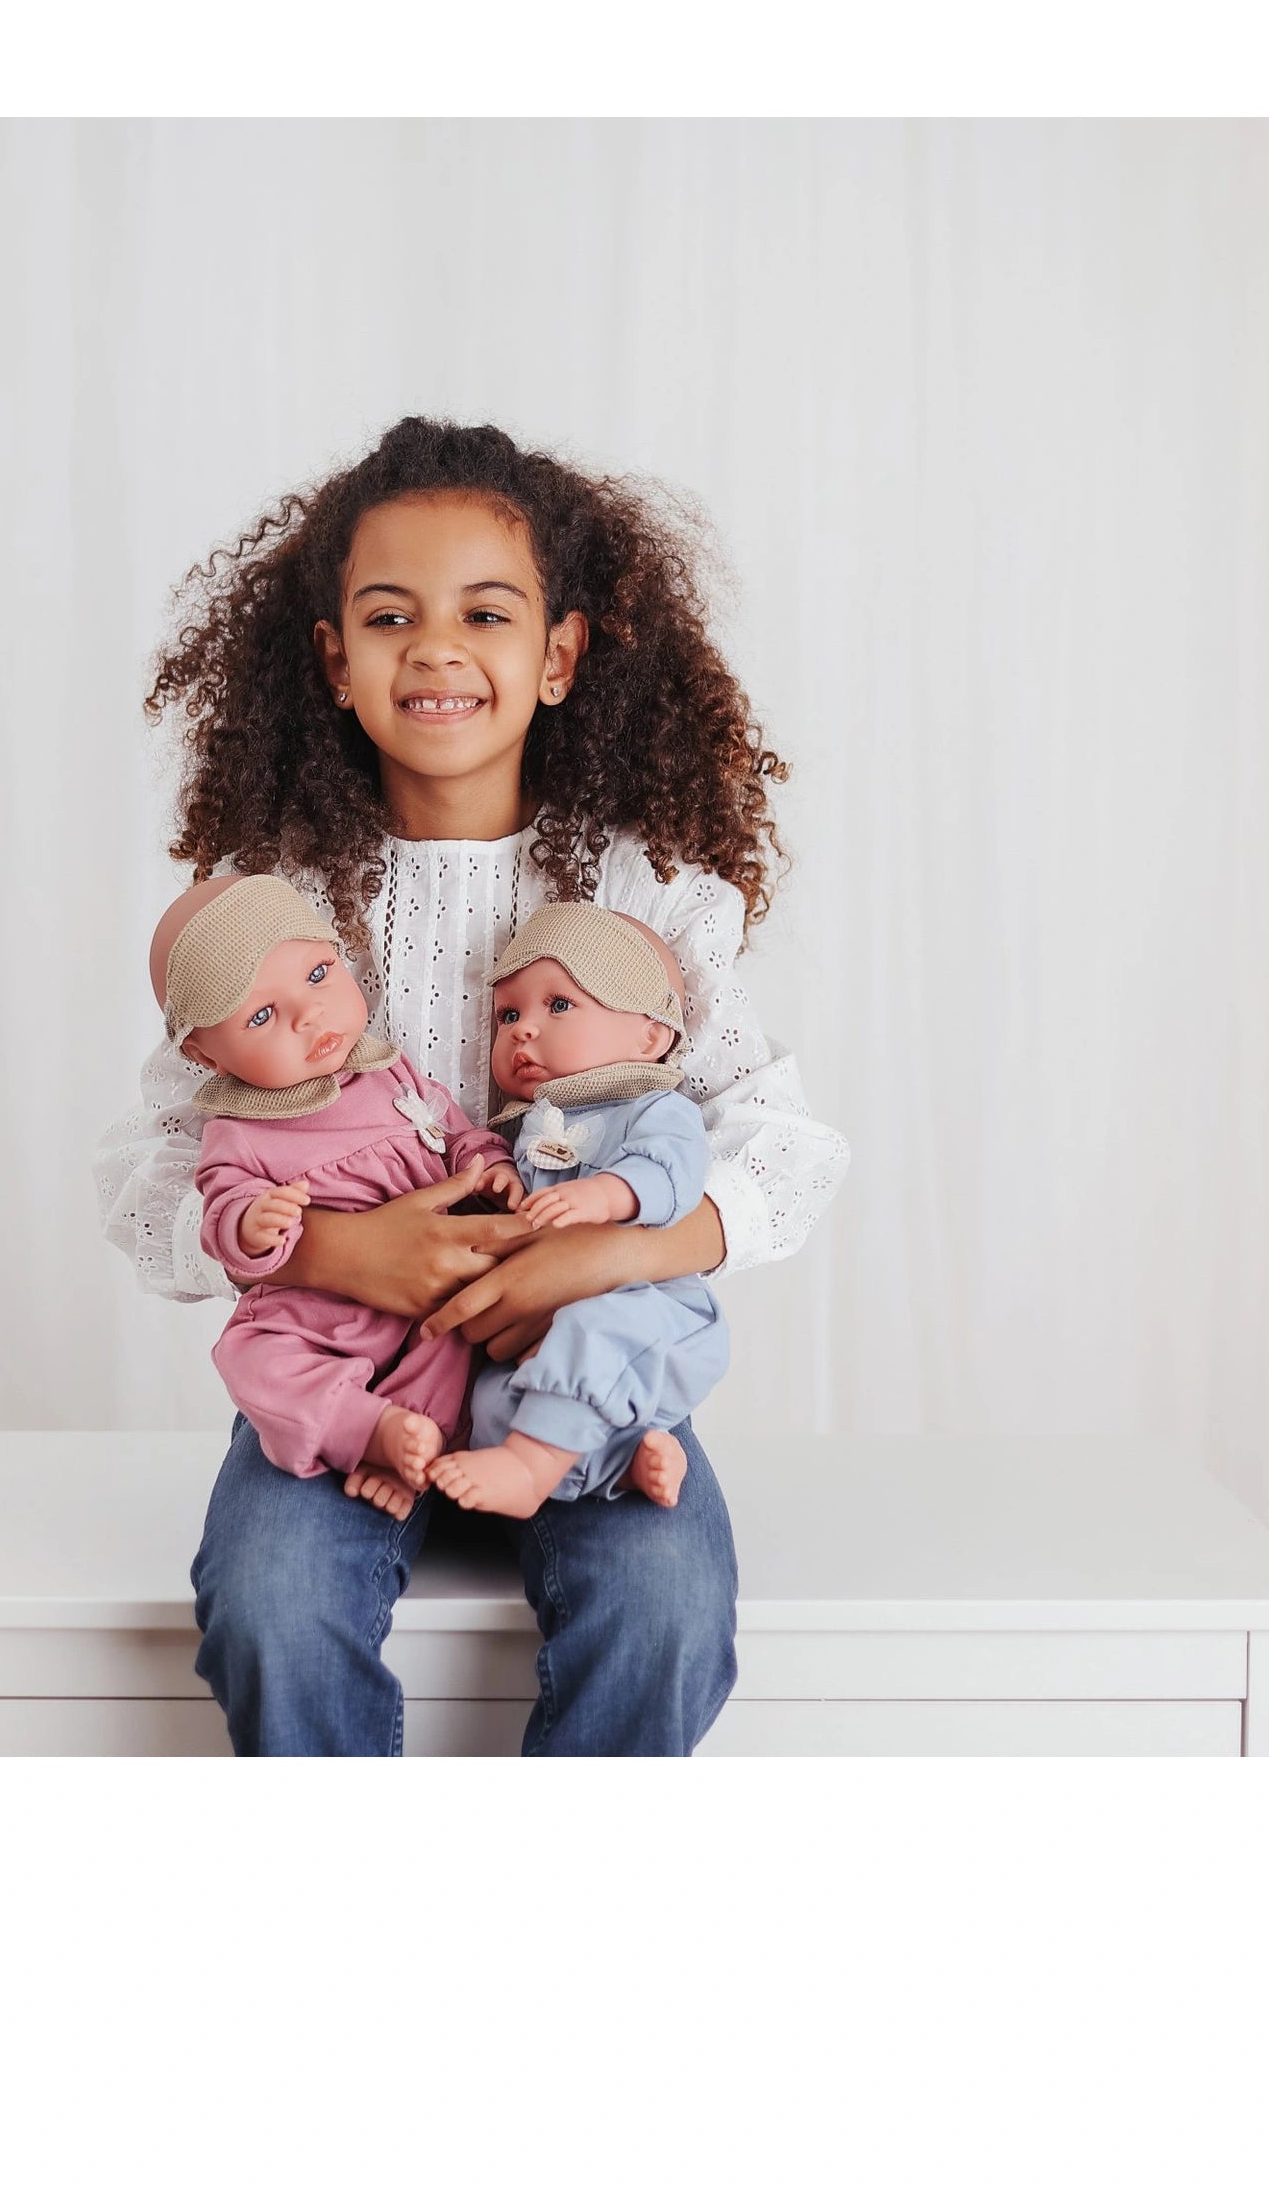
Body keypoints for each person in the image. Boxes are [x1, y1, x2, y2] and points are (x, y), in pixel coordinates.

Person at [95, 415, 851, 1754]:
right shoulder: (274, 905)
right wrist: (340, 1252)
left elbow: (782, 1148)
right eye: (389, 618)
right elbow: (155, 1169)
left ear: (557, 656)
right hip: (350, 1387)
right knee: (270, 1605)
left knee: (666, 1609)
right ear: (333, 661)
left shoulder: (643, 893)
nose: (436, 650)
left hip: (570, 1391)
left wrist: (602, 1260)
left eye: (485, 614)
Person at [153, 871, 522, 1515]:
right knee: (250, 1355)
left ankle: (412, 1439)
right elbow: (223, 1208)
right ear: (206, 1056)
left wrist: (490, 1163)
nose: (308, 1015)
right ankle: (363, 1428)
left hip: (434, 1291)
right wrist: (252, 1224)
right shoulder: (238, 1130)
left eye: (318, 975)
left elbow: (456, 1131)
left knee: (454, 1339)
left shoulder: (388, 1069)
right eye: (262, 1015)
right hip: (319, 1312)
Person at [429, 901, 727, 1518]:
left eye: (559, 1004)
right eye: (509, 1014)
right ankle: (626, 1462)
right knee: (491, 1404)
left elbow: (674, 1175)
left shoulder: (652, 1105)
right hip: (557, 1334)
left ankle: (528, 1467)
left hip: (652, 1315)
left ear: (649, 1035)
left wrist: (606, 1194)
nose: (522, 1029)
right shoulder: (527, 1126)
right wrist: (502, 1184)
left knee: (591, 1335)